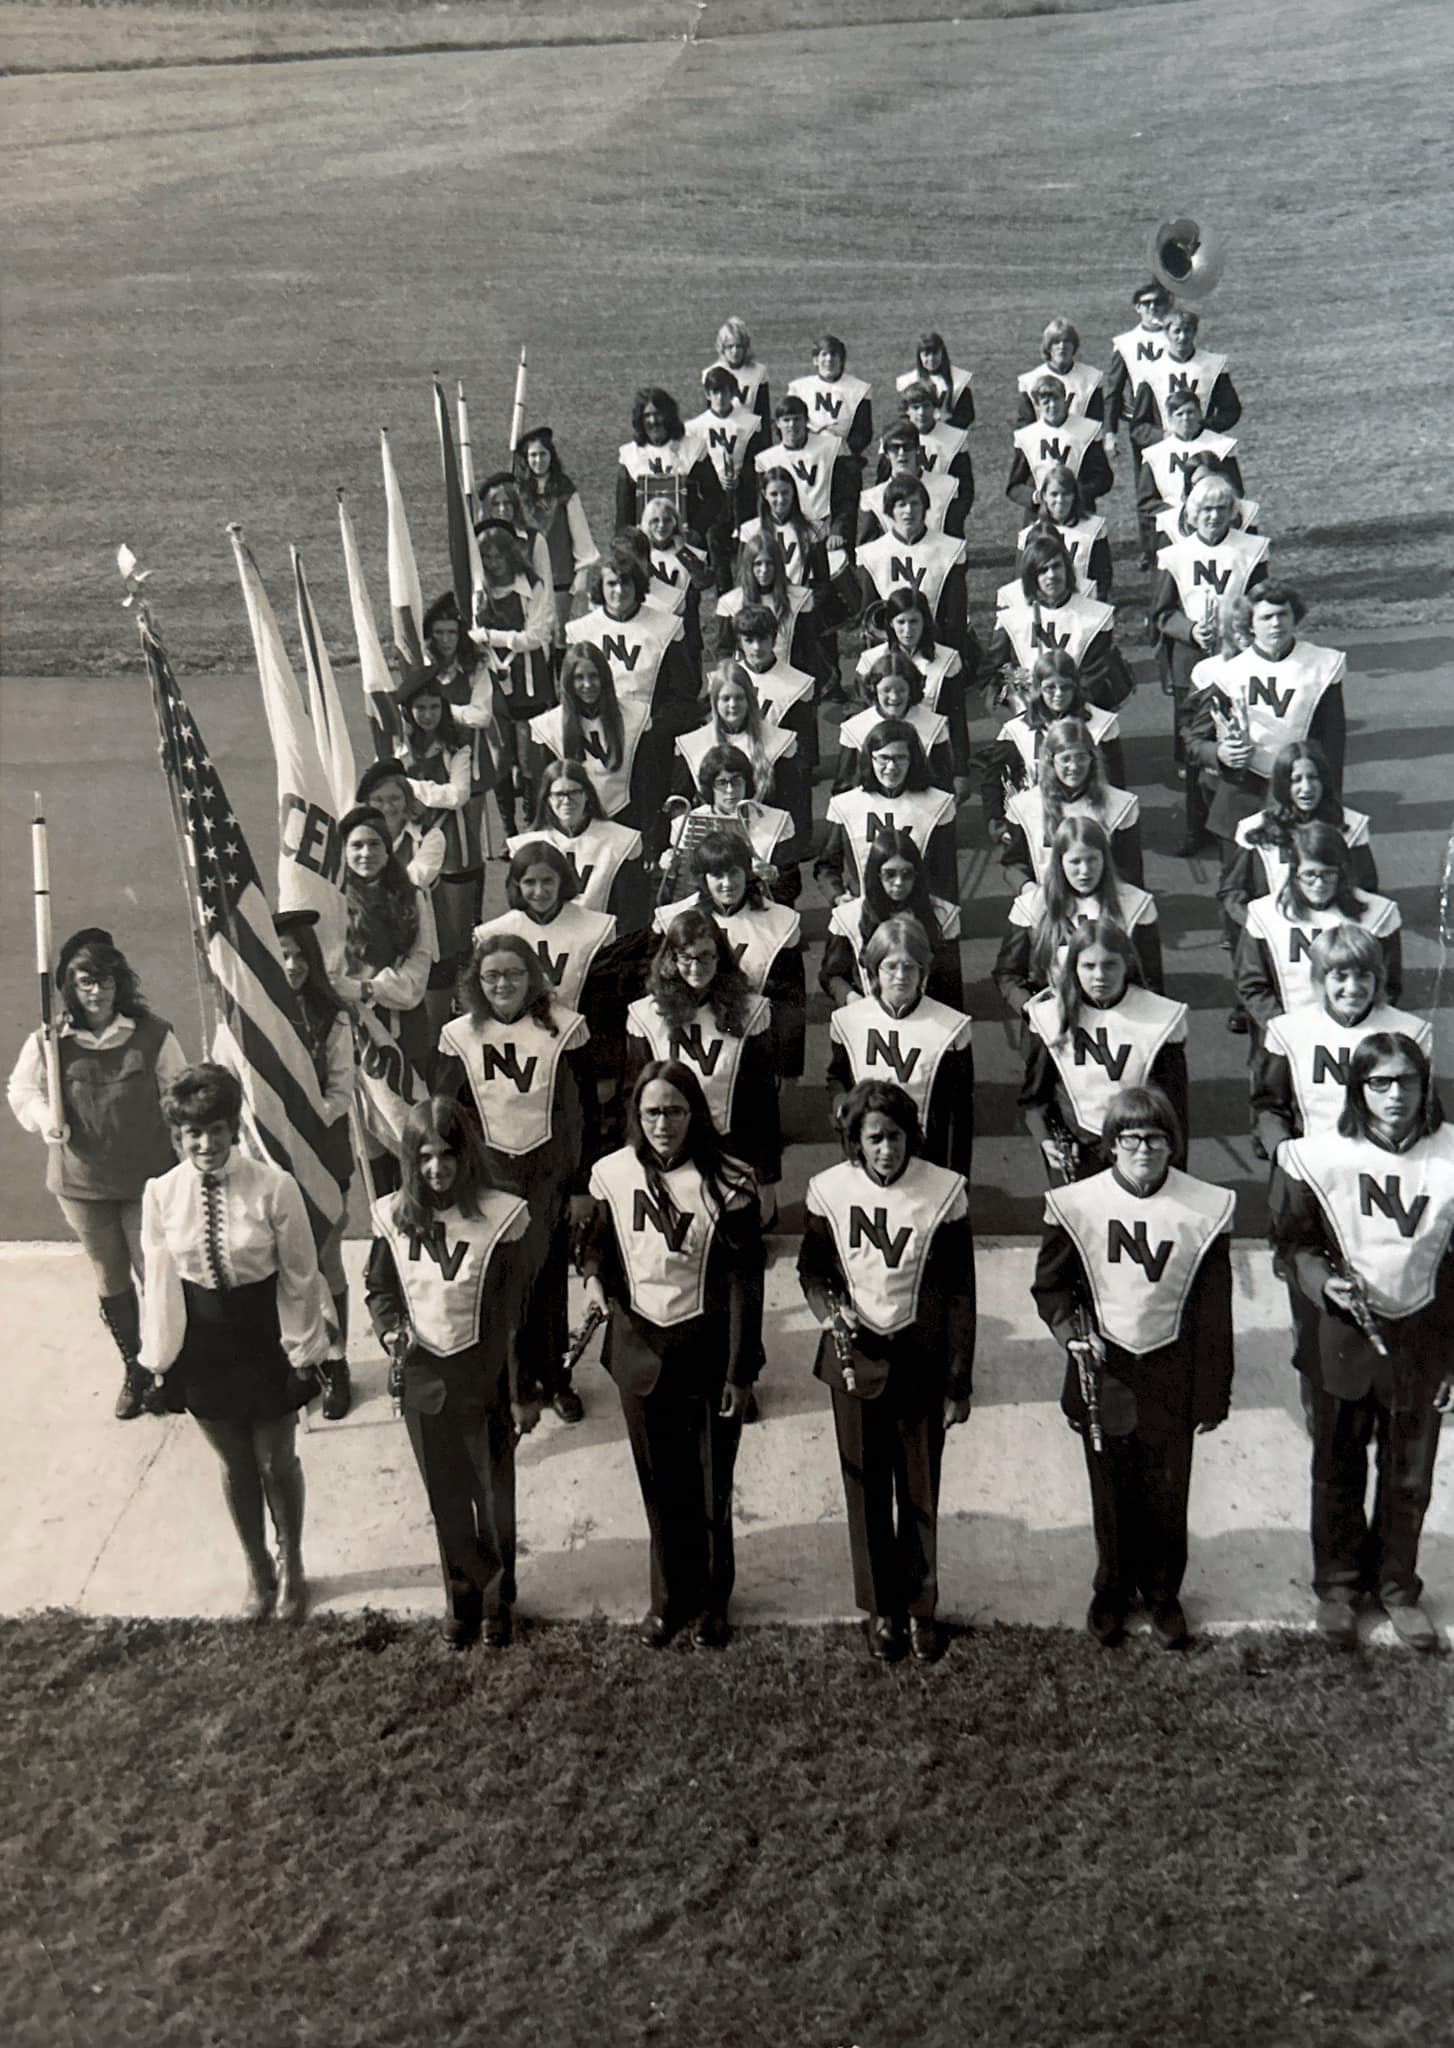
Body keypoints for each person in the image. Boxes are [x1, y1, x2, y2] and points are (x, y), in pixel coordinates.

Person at [1269, 1034, 1454, 1651]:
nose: (1396, 1094)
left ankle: (1398, 1587)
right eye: (1381, 1082)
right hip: (1344, 1337)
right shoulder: (1318, 1156)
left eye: (1407, 1080)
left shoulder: (1450, 1154)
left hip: (1423, 1339)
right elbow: (1292, 1246)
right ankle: (1340, 1587)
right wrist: (1326, 1286)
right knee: (1337, 1467)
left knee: (1410, 1474)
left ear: (1426, 1085)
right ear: (1358, 1089)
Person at [1032, 1084, 1234, 1649]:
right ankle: (1113, 1588)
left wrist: (1213, 1393)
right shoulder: (1077, 1203)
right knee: (1111, 1487)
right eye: (1129, 1138)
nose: (1142, 1149)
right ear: (1111, 1144)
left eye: (1155, 1138)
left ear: (1173, 1144)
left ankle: (1164, 1592)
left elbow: (1216, 1311)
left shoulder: (1205, 1207)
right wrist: (1072, 1336)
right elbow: (1050, 1288)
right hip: (1107, 1371)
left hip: (1173, 1369)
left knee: (1169, 1487)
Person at [140, 1063, 336, 1622]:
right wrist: (160, 1358)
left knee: (276, 1463)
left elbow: (300, 1275)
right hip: (204, 1346)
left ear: (234, 1129)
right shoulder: (160, 1194)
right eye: (192, 1134)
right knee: (234, 1466)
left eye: (216, 1130)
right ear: (178, 1137)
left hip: (265, 1337)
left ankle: (292, 1564)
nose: (205, 1144)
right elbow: (159, 1282)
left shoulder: (275, 1188)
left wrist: (304, 1351)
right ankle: (258, 1570)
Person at [579, 1061, 764, 1647]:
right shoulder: (611, 1173)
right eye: (651, 1112)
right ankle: (668, 1599)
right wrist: (592, 1278)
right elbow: (597, 1246)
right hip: (640, 1350)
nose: (663, 1123)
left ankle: (713, 1600)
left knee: (711, 1482)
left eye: (675, 1111)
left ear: (695, 1114)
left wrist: (740, 1369)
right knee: (659, 1483)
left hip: (706, 1352)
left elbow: (744, 1281)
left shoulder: (730, 1179)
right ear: (636, 1114)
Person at [797, 1078, 975, 1663]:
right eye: (874, 1138)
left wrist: (958, 1380)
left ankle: (921, 1608)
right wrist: (832, 1314)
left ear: (910, 1137)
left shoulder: (944, 1192)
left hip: (920, 1361)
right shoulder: (827, 1191)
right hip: (856, 1365)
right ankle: (881, 1610)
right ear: (855, 1141)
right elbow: (813, 1272)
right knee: (866, 1487)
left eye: (895, 1137)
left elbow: (958, 1294)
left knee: (920, 1488)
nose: (885, 1150)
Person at [365, 1096, 542, 1649]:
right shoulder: (394, 1216)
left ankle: (497, 1598)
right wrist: (392, 1330)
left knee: (492, 1496)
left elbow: (519, 1312)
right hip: (424, 1379)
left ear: (466, 1156)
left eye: (446, 1154)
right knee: (444, 1497)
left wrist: (520, 1390)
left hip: (483, 1377)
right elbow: (381, 1290)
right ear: (408, 1161)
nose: (436, 1168)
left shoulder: (501, 1216)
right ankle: (459, 1593)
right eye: (424, 1157)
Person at [7, 927, 185, 1419]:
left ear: (119, 983)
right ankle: (136, 1370)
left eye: (105, 980)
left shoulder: (153, 1035)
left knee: (155, 1273)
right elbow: (21, 1090)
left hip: (146, 1180)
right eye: (85, 980)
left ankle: (169, 1366)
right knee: (111, 1277)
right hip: (82, 1184)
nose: (96, 990)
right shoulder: (49, 1040)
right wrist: (47, 1120)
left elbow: (179, 1094)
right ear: (70, 985)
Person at [439, 932, 596, 1426]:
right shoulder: (460, 1036)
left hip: (548, 1173)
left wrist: (579, 1185)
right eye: (492, 976)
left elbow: (585, 1112)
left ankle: (556, 1378)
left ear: (532, 977)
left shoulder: (564, 1030)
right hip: (492, 1177)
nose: (503, 984)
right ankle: (514, 1382)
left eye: (513, 974)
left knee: (548, 1278)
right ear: (476, 982)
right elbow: (448, 1117)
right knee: (503, 1285)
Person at [1150, 471, 1270, 853]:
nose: (1214, 516)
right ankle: (1194, 827)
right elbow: (1161, 613)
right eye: (1205, 509)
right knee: (1196, 743)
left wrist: (1244, 634)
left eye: (1221, 509)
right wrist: (1189, 630)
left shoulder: (1250, 550)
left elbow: (1264, 602)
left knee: (1239, 738)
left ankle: (1232, 825)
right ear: (1191, 513)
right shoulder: (1175, 555)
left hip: (1239, 658)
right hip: (1192, 662)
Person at [1184, 584, 1349, 859]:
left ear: (1295, 617)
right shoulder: (1226, 673)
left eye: (1283, 614)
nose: (1276, 624)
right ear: (1250, 624)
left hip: (1302, 797)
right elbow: (1192, 739)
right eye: (1266, 617)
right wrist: (1219, 753)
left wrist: (1331, 802)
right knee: (1239, 890)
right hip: (1242, 796)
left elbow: (1333, 743)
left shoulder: (1321, 665)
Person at [625, 909, 780, 1198]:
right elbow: (634, 1097)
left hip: (731, 1146)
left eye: (706, 955)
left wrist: (767, 1176)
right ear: (672, 959)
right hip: (668, 1146)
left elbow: (762, 1099)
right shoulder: (646, 1015)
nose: (697, 966)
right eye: (686, 957)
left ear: (720, 957)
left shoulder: (750, 1010)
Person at [1020, 923, 1189, 1182]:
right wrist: (1048, 1139)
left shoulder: (1160, 1017)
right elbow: (1036, 1098)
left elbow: (1174, 1104)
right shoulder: (1049, 1018)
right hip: (1079, 1151)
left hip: (1141, 1152)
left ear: (1127, 965)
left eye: (1110, 964)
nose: (1099, 976)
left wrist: (1174, 1166)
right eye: (1088, 966)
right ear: (1074, 968)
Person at [272, 908, 355, 1420]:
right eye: (282, 955)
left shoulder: (332, 1016)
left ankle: (339, 1361)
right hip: (271, 1158)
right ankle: (303, 1358)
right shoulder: (252, 1016)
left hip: (322, 1153)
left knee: (326, 1260)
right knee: (283, 1263)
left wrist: (304, 1119)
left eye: (301, 955)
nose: (292, 964)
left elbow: (341, 1089)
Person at [1252, 925, 1432, 1160]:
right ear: (1320, 979)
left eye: (1363, 975)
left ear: (1378, 978)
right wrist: (1283, 1151)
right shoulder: (1287, 1030)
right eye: (1340, 976)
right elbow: (1269, 1105)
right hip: (1313, 1163)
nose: (1353, 988)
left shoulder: (1412, 1032)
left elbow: (1425, 1109)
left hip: (1386, 1161)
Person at [827, 914, 974, 1177]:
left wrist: (958, 1177)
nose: (900, 976)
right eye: (891, 966)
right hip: (867, 1149)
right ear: (874, 969)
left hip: (927, 1151)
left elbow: (959, 1110)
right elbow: (837, 1076)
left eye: (910, 967)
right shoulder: (848, 1020)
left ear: (923, 971)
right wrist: (842, 1104)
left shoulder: (951, 1027)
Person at [654, 831, 806, 1080]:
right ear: (703, 879)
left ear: (747, 872)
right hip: (692, 1037)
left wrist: (787, 1068)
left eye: (734, 872)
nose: (727, 883)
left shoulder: (779, 922)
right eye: (717, 875)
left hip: (752, 1037)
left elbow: (790, 1001)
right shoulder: (676, 919)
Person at [1235, 823, 1402, 1044]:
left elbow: (1389, 985)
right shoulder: (1266, 914)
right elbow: (1252, 984)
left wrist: (1355, 1025)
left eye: (1328, 874)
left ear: (1343, 873)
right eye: (1309, 875)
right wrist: (1285, 1029)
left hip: (1356, 1035)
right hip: (1285, 1038)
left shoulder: (1378, 914)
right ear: (1295, 874)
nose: (1319, 883)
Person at [994, 815, 1162, 1030]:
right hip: (1055, 1020)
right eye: (1075, 861)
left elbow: (1152, 979)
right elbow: (1007, 972)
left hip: (1121, 1019)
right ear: (1059, 862)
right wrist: (1027, 1006)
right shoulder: (1032, 906)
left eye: (1093, 859)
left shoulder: (1135, 904)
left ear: (1105, 859)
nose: (1085, 871)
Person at [336, 803, 438, 1148]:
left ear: (388, 848)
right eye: (356, 846)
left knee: (411, 1128)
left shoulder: (412, 897)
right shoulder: (331, 902)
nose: (366, 853)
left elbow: (416, 977)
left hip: (402, 1031)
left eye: (375, 844)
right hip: (351, 1034)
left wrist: (365, 988)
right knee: (366, 1136)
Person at [395, 674, 481, 1033]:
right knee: (420, 931)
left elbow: (458, 794)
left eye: (434, 707)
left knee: (457, 936)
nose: (427, 714)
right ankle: (430, 1008)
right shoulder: (399, 749)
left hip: (455, 847)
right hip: (412, 847)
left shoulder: (457, 744)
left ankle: (467, 1005)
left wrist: (412, 788)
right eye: (420, 708)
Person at [982, 649, 1126, 837]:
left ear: (1076, 687)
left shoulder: (1100, 724)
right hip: (1036, 822)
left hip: (1088, 820)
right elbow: (993, 778)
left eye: (1066, 687)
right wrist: (995, 818)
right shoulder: (1018, 729)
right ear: (1038, 688)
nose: (1058, 694)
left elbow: (1115, 779)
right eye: (1050, 688)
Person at [985, 535, 1135, 714]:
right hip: (1027, 713)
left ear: (1067, 570)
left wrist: (1062, 703)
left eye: (1057, 566)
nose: (1052, 575)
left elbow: (1095, 675)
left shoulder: (1095, 616)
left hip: (1080, 710)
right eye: (1042, 570)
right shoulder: (1012, 618)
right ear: (1032, 577)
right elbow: (993, 671)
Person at [821, 827, 963, 1012]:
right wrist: (850, 997)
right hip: (867, 1014)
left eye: (907, 874)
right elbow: (831, 975)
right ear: (876, 873)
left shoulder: (942, 915)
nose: (898, 883)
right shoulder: (849, 917)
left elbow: (950, 986)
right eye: (890, 874)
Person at [816, 719, 958, 903]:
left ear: (912, 760)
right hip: (862, 908)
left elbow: (945, 873)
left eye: (900, 758)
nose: (891, 767)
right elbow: (827, 865)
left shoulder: (938, 803)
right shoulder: (845, 804)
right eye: (884, 758)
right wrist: (837, 896)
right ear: (870, 758)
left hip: (917, 909)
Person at [474, 840, 618, 1020]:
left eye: (547, 881)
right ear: (517, 884)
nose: (539, 891)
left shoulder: (598, 928)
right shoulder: (493, 933)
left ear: (562, 880)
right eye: (529, 882)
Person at [999, 717, 1143, 891]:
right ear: (1051, 761)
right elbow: (1013, 864)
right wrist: (1027, 889)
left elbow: (1130, 870)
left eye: (1081, 757)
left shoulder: (1119, 805)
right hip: (1045, 904)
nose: (1074, 767)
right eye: (1066, 758)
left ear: (1093, 759)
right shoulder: (1025, 805)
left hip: (1104, 905)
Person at [567, 545, 697, 737]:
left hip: (652, 733)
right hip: (600, 732)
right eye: (611, 584)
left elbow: (683, 693)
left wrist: (653, 727)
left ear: (637, 584)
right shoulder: (581, 631)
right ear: (600, 587)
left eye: (625, 582)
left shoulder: (667, 626)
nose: (619, 591)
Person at [530, 641, 657, 834]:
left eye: (594, 676)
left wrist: (649, 836)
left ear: (605, 679)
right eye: (579, 678)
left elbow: (647, 782)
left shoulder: (635, 717)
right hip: (572, 824)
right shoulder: (548, 726)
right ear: (568, 681)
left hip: (626, 818)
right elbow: (543, 791)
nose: (587, 685)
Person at [509, 757, 650, 932]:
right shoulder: (527, 845)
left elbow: (632, 912)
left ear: (587, 795)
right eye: (559, 795)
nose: (567, 801)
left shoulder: (621, 841)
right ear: (547, 799)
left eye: (574, 792)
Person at [674, 664, 802, 842]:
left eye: (739, 698)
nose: (733, 705)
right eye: (725, 698)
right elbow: (682, 805)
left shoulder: (778, 741)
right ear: (715, 702)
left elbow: (791, 802)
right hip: (712, 840)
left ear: (750, 699)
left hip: (764, 835)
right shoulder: (692, 743)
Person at [856, 477, 971, 664]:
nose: (909, 511)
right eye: (901, 505)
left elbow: (955, 614)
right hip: (891, 650)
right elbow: (871, 616)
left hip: (936, 647)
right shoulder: (872, 553)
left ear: (925, 507)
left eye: (915, 504)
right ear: (890, 510)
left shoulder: (949, 549)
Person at [1104, 278, 1175, 533]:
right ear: (1137, 307)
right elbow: (1113, 389)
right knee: (1147, 483)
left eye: (1158, 302)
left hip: (1177, 419)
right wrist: (1110, 432)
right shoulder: (1125, 343)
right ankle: (1149, 545)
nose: (1153, 307)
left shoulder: (1176, 335)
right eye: (1146, 303)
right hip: (1144, 422)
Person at [512, 424, 600, 629]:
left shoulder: (563, 489)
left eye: (543, 455)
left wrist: (583, 569)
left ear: (551, 457)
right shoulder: (519, 492)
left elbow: (579, 530)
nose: (538, 461)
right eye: (533, 455)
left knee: (559, 632)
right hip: (528, 573)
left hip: (560, 574)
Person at [753, 393, 860, 556]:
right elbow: (763, 505)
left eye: (797, 419)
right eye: (786, 420)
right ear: (777, 424)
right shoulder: (766, 459)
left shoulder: (829, 447)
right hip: (787, 532)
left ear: (806, 421)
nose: (792, 425)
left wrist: (837, 530)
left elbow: (845, 496)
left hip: (825, 529)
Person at [834, 651, 954, 793]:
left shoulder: (934, 725)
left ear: (912, 690)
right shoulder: (855, 727)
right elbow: (844, 786)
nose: (894, 697)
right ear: (874, 689)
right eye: (886, 690)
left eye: (901, 690)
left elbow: (943, 782)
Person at [614, 385, 723, 537]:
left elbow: (714, 497)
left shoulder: (692, 448)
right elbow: (624, 515)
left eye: (658, 414)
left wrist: (697, 531)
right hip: (646, 544)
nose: (653, 420)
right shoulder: (630, 456)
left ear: (669, 415)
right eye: (647, 415)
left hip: (687, 540)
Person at [1129, 305, 1242, 441]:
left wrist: (1206, 427)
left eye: (1187, 331)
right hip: (1166, 448)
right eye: (1177, 331)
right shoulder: (1151, 371)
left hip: (1204, 445)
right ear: (1167, 333)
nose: (1182, 337)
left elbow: (1231, 410)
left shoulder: (1212, 365)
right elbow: (1138, 426)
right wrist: (1162, 436)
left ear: (1194, 332)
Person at [1007, 374, 1113, 511]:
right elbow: (1014, 486)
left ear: (1065, 400)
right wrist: (1035, 497)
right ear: (1037, 404)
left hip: (1080, 512)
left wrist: (1077, 494)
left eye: (1056, 399)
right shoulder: (1027, 436)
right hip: (1039, 516)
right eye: (1045, 401)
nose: (1052, 406)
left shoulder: (1086, 430)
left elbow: (1103, 478)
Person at [685, 364, 766, 542]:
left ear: (733, 393)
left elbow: (757, 459)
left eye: (725, 392)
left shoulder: (750, 423)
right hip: (710, 495)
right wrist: (715, 478)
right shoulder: (694, 427)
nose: (720, 397)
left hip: (743, 495)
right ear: (707, 394)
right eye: (715, 392)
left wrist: (740, 478)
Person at [1015, 462, 1113, 599]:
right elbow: (1023, 581)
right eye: (1054, 494)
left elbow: (1103, 577)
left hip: (1085, 604)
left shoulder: (1093, 529)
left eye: (1066, 494)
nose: (1060, 500)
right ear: (1043, 496)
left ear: (1075, 495)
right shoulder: (1030, 535)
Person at [859, 420, 966, 540]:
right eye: (895, 448)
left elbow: (954, 537)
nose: (902, 453)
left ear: (918, 449)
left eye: (907, 447)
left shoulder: (946, 487)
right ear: (886, 454)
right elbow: (869, 548)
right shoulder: (873, 498)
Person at [354, 757, 446, 894]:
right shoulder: (354, 836)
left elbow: (414, 880)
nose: (387, 807)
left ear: (408, 799)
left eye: (394, 798)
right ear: (368, 804)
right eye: (378, 800)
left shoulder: (429, 837)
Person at [788, 332, 873, 457]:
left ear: (841, 360)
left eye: (833, 354)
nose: (829, 359)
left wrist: (845, 448)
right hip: (807, 452)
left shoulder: (858, 389)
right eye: (824, 354)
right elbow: (786, 421)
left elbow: (863, 431)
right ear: (815, 360)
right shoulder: (799, 388)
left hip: (843, 454)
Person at [1015, 317, 1105, 422]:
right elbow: (1025, 425)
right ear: (1048, 347)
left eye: (1067, 341)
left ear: (1074, 346)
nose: (1062, 346)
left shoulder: (1091, 378)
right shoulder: (1030, 381)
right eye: (1056, 342)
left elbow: (1095, 422)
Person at [896, 329, 976, 428]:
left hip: (949, 434)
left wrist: (942, 427)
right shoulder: (909, 381)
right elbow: (903, 414)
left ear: (942, 353)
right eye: (926, 355)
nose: (931, 359)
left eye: (935, 353)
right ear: (919, 356)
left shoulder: (957, 380)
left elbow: (967, 415)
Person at [705, 314, 771, 427]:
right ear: (722, 348)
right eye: (730, 346)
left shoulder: (758, 372)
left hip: (750, 431)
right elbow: (710, 416)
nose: (735, 351)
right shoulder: (712, 372)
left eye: (739, 346)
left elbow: (763, 413)